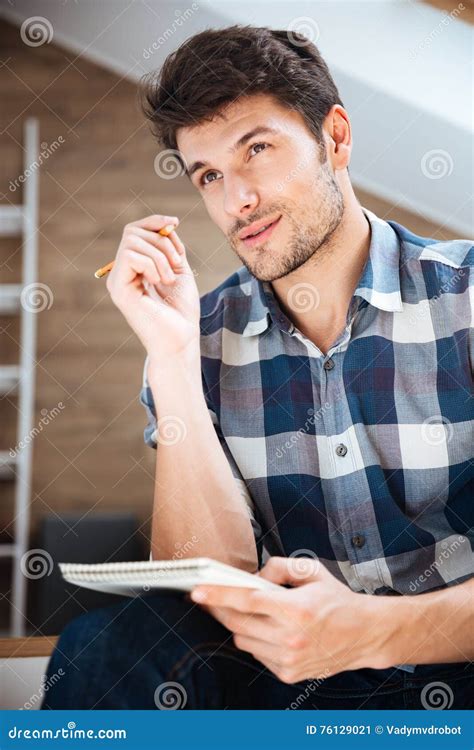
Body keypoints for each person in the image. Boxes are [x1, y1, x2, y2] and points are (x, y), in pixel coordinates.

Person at [42, 25, 473, 710]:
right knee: (108, 644)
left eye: (258, 150)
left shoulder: (465, 297)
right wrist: (175, 358)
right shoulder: (202, 338)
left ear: (335, 138)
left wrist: (371, 633)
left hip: (456, 667)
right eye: (209, 175)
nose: (235, 200)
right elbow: (204, 582)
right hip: (287, 682)